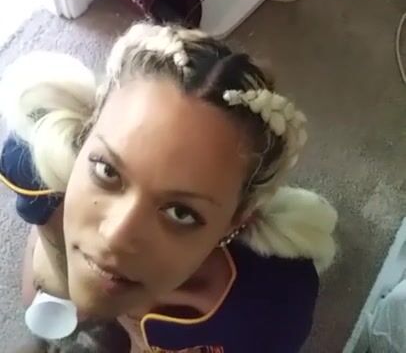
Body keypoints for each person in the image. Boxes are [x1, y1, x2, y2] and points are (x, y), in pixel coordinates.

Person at [0, 23, 337, 352]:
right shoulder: (36, 157)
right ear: (86, 133)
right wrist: (62, 266)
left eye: (180, 213)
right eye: (107, 171)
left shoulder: (271, 308)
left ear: (236, 222)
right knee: (40, 297)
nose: (116, 236)